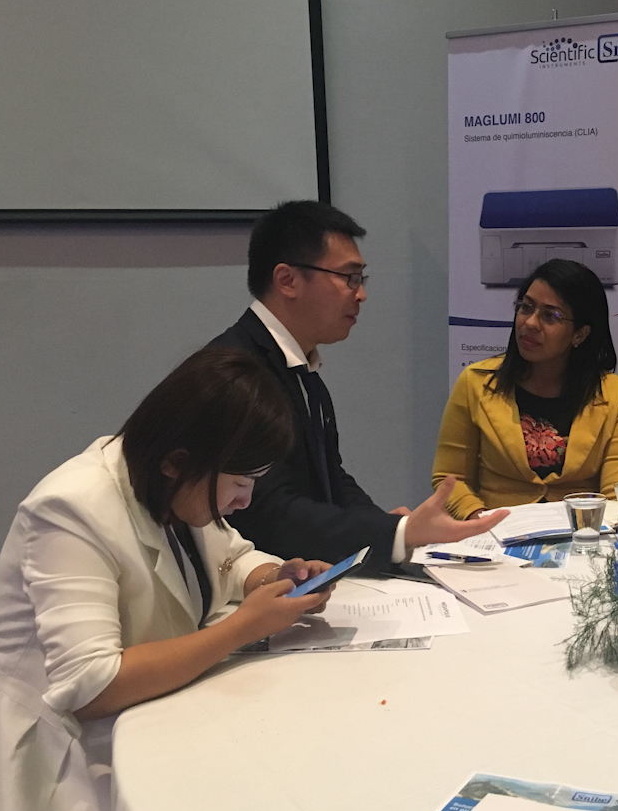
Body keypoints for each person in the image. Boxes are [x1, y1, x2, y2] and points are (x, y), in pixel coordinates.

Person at [0, 348, 339, 811]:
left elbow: (230, 557)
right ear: (177, 461)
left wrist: (275, 577)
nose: (245, 500)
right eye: (240, 481)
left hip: (148, 715)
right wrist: (245, 625)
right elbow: (92, 685)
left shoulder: (167, 482)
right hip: (51, 765)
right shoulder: (70, 510)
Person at [210, 201, 503, 568]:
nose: (361, 294)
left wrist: (388, 527)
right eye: (349, 277)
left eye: (361, 279)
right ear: (287, 280)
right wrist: (396, 532)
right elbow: (268, 513)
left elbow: (331, 479)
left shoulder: (300, 368)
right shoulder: (236, 374)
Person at [433, 259, 618, 518]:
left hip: (582, 533)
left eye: (550, 315)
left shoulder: (616, 396)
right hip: (495, 531)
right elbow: (450, 478)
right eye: (526, 307)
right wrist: (479, 520)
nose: (530, 323)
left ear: (579, 334)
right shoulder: (476, 383)